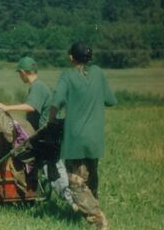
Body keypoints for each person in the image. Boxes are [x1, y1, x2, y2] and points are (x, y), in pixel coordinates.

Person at [48, 42, 117, 230]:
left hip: (76, 139)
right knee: (91, 177)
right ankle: (92, 209)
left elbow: (56, 101)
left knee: (76, 183)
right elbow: (110, 100)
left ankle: (98, 219)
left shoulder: (68, 76)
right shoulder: (98, 73)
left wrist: (51, 121)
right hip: (95, 139)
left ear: (72, 57)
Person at [0, 56, 75, 210]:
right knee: (46, 166)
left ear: (24, 72)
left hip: (45, 137)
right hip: (46, 135)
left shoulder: (38, 87)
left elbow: (31, 107)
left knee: (50, 168)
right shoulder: (39, 86)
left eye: (19, 74)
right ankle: (31, 196)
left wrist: (7, 108)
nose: (20, 77)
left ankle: (72, 203)